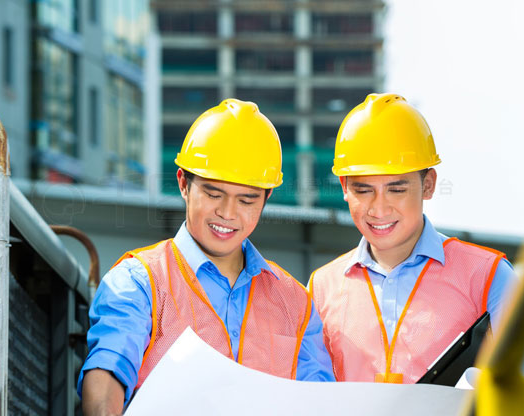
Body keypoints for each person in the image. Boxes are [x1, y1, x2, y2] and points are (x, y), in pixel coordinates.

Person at [78, 99, 334, 415]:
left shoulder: (296, 303)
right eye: (214, 194)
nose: (227, 214)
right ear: (184, 183)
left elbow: (320, 402)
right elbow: (108, 372)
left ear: (266, 197)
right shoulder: (140, 282)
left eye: (246, 200)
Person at [309, 93, 524, 415]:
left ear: (428, 185)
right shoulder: (321, 286)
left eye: (397, 189)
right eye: (362, 189)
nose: (378, 208)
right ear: (343, 186)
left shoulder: (487, 275)